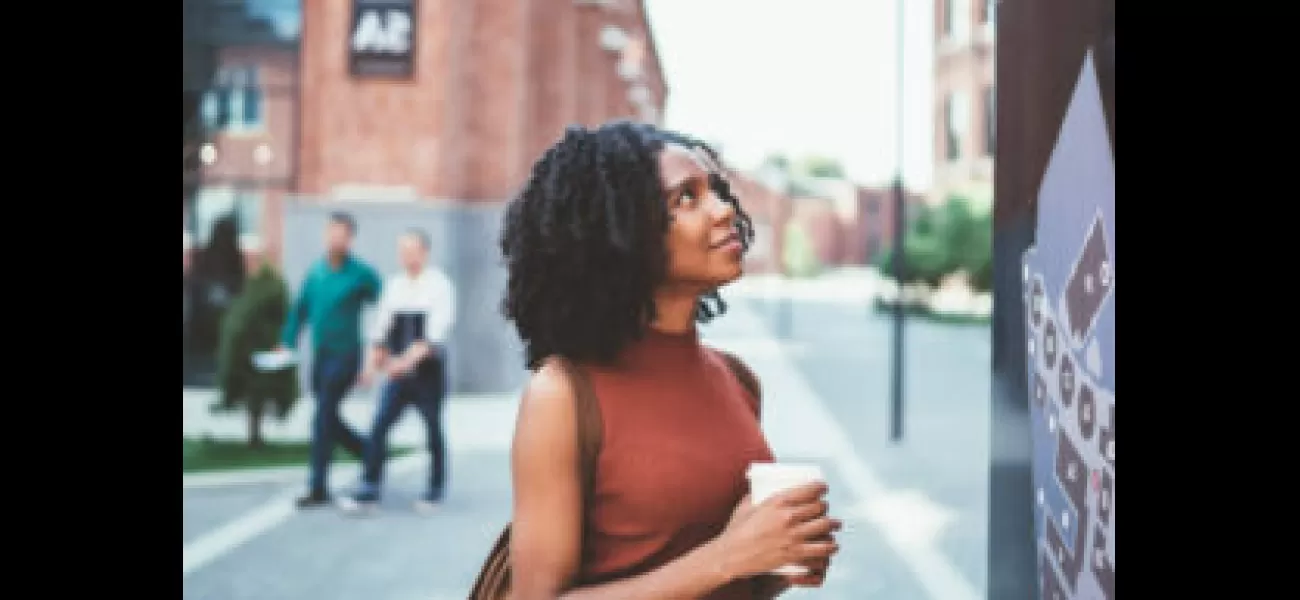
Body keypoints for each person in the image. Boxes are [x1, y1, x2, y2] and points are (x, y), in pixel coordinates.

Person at [501, 122, 841, 599]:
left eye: (718, 191)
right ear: (619, 232)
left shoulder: (737, 378)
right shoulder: (563, 393)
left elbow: (726, 576)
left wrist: (776, 561)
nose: (724, 210)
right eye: (686, 198)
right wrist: (727, 557)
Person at [341, 228, 456, 514]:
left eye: (412, 250)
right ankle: (369, 487)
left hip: (428, 373)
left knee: (432, 429)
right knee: (379, 425)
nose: (406, 256)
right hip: (398, 374)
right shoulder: (395, 286)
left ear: (424, 252)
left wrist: (399, 365)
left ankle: (435, 489)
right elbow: (380, 333)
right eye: (402, 250)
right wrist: (369, 368)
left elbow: (432, 339)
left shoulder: (439, 286)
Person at [279, 212, 384, 508]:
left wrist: (379, 351)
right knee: (326, 418)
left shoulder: (361, 274)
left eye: (342, 233)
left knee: (323, 418)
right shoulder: (316, 273)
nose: (336, 238)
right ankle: (368, 450)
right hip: (320, 356)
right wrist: (286, 342)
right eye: (332, 232)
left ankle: (318, 487)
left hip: (346, 356)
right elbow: (299, 311)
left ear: (350, 238)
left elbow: (386, 307)